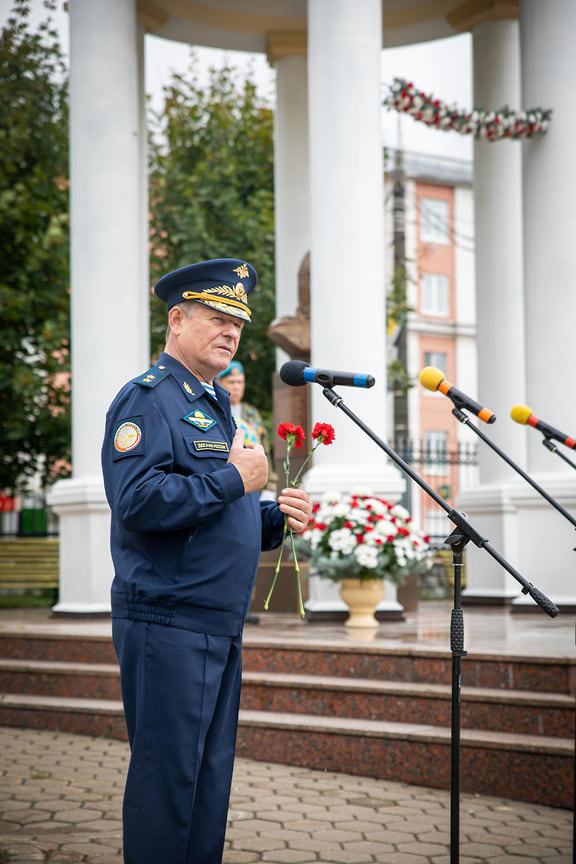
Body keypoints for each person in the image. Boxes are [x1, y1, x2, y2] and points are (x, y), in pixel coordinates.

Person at [101, 258, 312, 864]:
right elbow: (137, 501)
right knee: (167, 785)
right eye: (217, 318)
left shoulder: (218, 405)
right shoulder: (148, 401)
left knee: (208, 784)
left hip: (217, 622)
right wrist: (233, 480)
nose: (230, 333)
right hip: (167, 620)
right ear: (176, 320)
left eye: (238, 326)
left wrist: (272, 518)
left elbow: (218, 509)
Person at [217, 360, 276, 493]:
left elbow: (264, 449)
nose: (236, 387)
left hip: (254, 483)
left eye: (240, 382)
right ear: (219, 382)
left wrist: (269, 486)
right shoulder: (213, 410)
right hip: (226, 481)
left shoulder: (252, 414)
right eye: (231, 382)